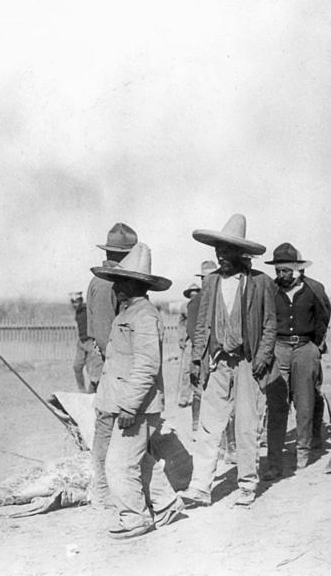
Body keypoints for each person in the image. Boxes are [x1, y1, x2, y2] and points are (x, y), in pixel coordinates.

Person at [90, 242, 184, 539]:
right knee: (140, 461)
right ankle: (167, 505)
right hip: (126, 403)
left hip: (138, 407)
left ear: (135, 284)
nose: (115, 286)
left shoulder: (144, 316)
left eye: (120, 281)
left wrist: (129, 407)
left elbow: (146, 366)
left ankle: (135, 517)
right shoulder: (128, 313)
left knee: (119, 464)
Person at [183, 214, 276, 508]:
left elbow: (271, 325)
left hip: (248, 362)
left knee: (246, 425)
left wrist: (262, 356)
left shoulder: (261, 283)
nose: (221, 256)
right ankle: (200, 488)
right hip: (218, 361)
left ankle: (247, 484)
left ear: (240, 253)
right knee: (209, 425)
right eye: (218, 251)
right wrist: (197, 358)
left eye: (227, 251)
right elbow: (201, 324)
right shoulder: (210, 282)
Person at [263, 243, 331, 480]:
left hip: (305, 348)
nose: (281, 275)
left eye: (285, 271)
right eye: (278, 270)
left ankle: (303, 452)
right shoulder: (270, 290)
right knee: (277, 405)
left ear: (297, 270)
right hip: (278, 348)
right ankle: (274, 462)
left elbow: (323, 317)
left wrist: (315, 346)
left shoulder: (314, 289)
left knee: (305, 404)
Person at [86, 222, 138, 508]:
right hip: (112, 366)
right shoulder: (110, 283)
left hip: (108, 364)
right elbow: (107, 336)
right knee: (109, 425)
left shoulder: (102, 280)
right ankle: (104, 491)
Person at [177, 283, 201, 413]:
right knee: (186, 369)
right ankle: (184, 397)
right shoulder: (184, 306)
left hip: (201, 341)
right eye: (191, 295)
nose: (194, 297)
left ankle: (198, 395)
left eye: (196, 294)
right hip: (189, 342)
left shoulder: (203, 306)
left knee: (199, 368)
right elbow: (181, 323)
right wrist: (181, 338)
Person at [69, 292, 97, 393]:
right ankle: (82, 390)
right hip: (81, 343)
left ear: (81, 301)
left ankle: (92, 393)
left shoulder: (87, 310)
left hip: (90, 342)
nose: (74, 304)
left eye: (76, 302)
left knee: (92, 370)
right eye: (72, 302)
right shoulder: (77, 312)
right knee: (77, 367)